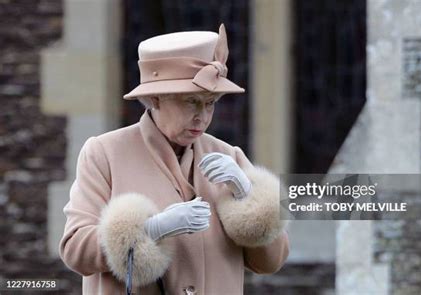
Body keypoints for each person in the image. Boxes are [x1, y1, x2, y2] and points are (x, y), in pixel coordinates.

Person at [59, 24, 289, 295]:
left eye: (211, 102)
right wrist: (152, 229)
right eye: (191, 101)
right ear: (155, 99)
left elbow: (271, 261)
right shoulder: (104, 152)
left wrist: (248, 196)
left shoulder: (230, 156)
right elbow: (74, 249)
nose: (202, 117)